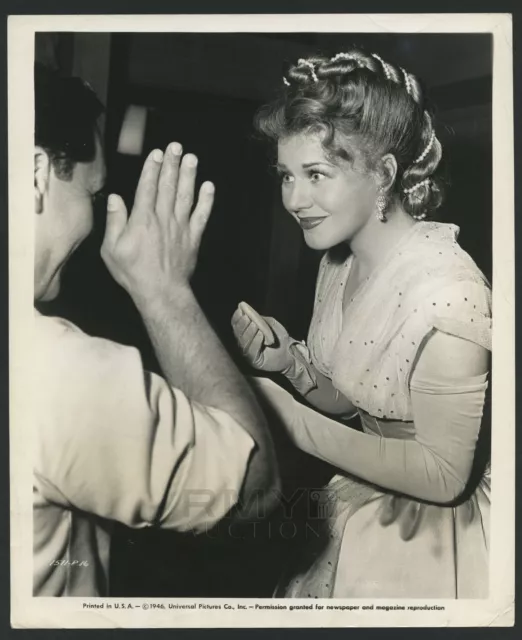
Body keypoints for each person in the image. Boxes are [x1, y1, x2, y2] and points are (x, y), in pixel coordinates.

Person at [232, 49, 491, 598]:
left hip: (435, 536)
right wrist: (295, 369)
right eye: (286, 176)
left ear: (385, 175)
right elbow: (358, 403)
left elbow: (445, 475)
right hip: (363, 495)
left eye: (316, 175)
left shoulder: (449, 293)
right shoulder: (337, 262)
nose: (294, 200)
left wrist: (296, 424)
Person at [32, 63, 279, 597]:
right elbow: (255, 486)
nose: (94, 218)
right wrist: (162, 289)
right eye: (92, 197)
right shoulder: (54, 373)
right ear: (35, 175)